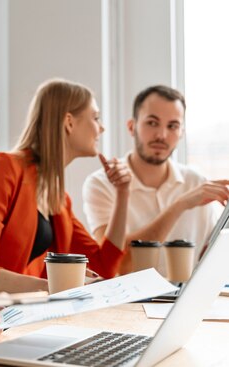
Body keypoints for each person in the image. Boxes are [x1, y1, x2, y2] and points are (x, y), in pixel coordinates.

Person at [0, 79, 132, 300]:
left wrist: (123, 193)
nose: (101, 128)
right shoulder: (6, 168)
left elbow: (103, 267)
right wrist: (51, 288)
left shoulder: (58, 200)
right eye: (95, 118)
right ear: (69, 122)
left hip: (13, 315)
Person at [82, 85, 229, 274]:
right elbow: (117, 265)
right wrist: (179, 206)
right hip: (130, 303)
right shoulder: (101, 184)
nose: (161, 135)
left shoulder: (196, 181)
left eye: (172, 126)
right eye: (152, 123)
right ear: (131, 127)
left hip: (186, 301)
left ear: (182, 133)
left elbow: (212, 260)